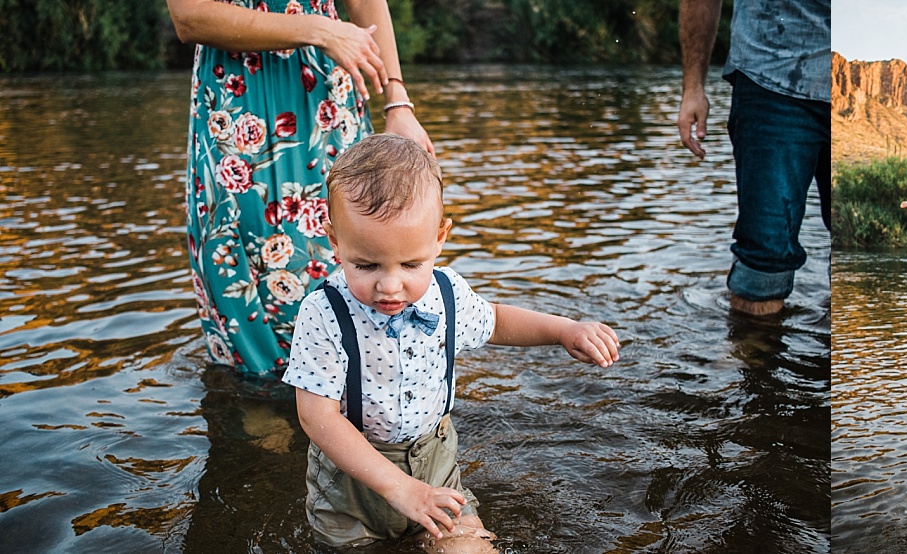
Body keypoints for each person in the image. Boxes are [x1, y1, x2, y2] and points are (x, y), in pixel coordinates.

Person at [282, 135, 621, 550]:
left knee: (468, 549)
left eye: (411, 264)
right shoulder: (323, 313)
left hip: (435, 465)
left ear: (440, 238)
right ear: (335, 241)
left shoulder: (447, 294)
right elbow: (318, 418)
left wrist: (563, 330)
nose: (390, 286)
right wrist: (398, 488)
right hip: (352, 489)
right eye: (366, 265)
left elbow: (496, 321)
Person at [167, 0, 434, 376]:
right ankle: (263, 405)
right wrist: (319, 30)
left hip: (326, 96)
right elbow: (190, 16)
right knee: (241, 262)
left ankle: (364, 403)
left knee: (356, 252)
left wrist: (398, 102)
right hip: (238, 102)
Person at [676, 0, 831, 316]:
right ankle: (752, 357)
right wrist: (693, 86)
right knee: (764, 256)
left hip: (856, 79)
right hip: (769, 77)